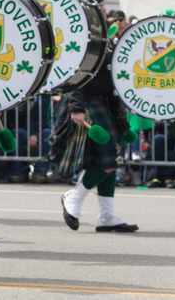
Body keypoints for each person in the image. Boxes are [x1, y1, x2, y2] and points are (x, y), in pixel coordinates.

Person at [58, 34, 138, 233]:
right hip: (88, 102)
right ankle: (74, 197)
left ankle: (106, 215)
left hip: (106, 103)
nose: (102, 9)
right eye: (98, 5)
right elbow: (78, 72)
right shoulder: (87, 40)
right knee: (108, 158)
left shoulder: (109, 40)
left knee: (108, 160)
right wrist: (76, 106)